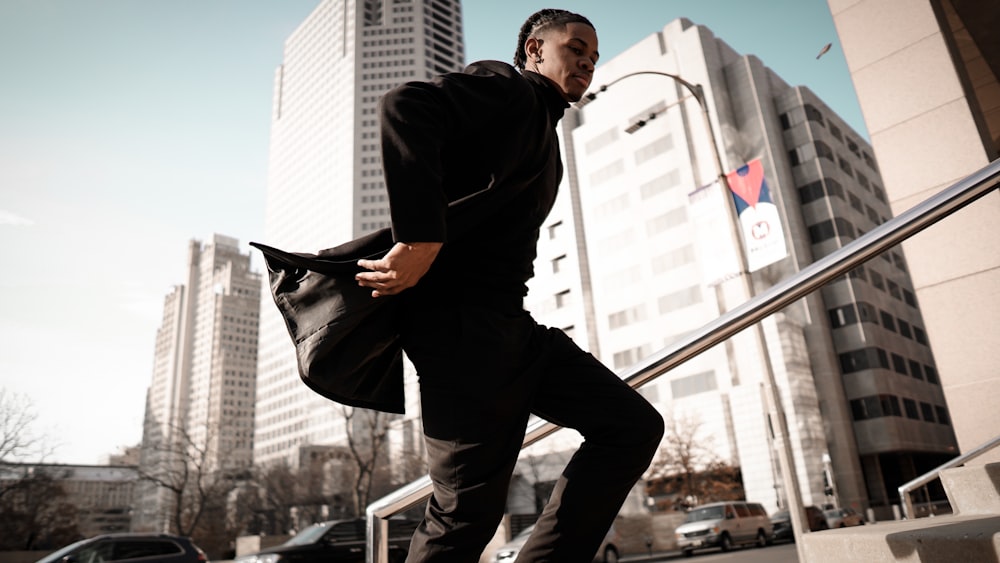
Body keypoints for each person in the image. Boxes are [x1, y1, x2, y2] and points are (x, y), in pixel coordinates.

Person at [356, 9, 664, 562]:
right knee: (465, 514)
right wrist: (421, 239)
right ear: (534, 50)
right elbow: (405, 104)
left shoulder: (540, 125)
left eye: (593, 57)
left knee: (631, 426)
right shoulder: (510, 89)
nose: (587, 64)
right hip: (461, 330)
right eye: (576, 49)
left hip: (510, 329)